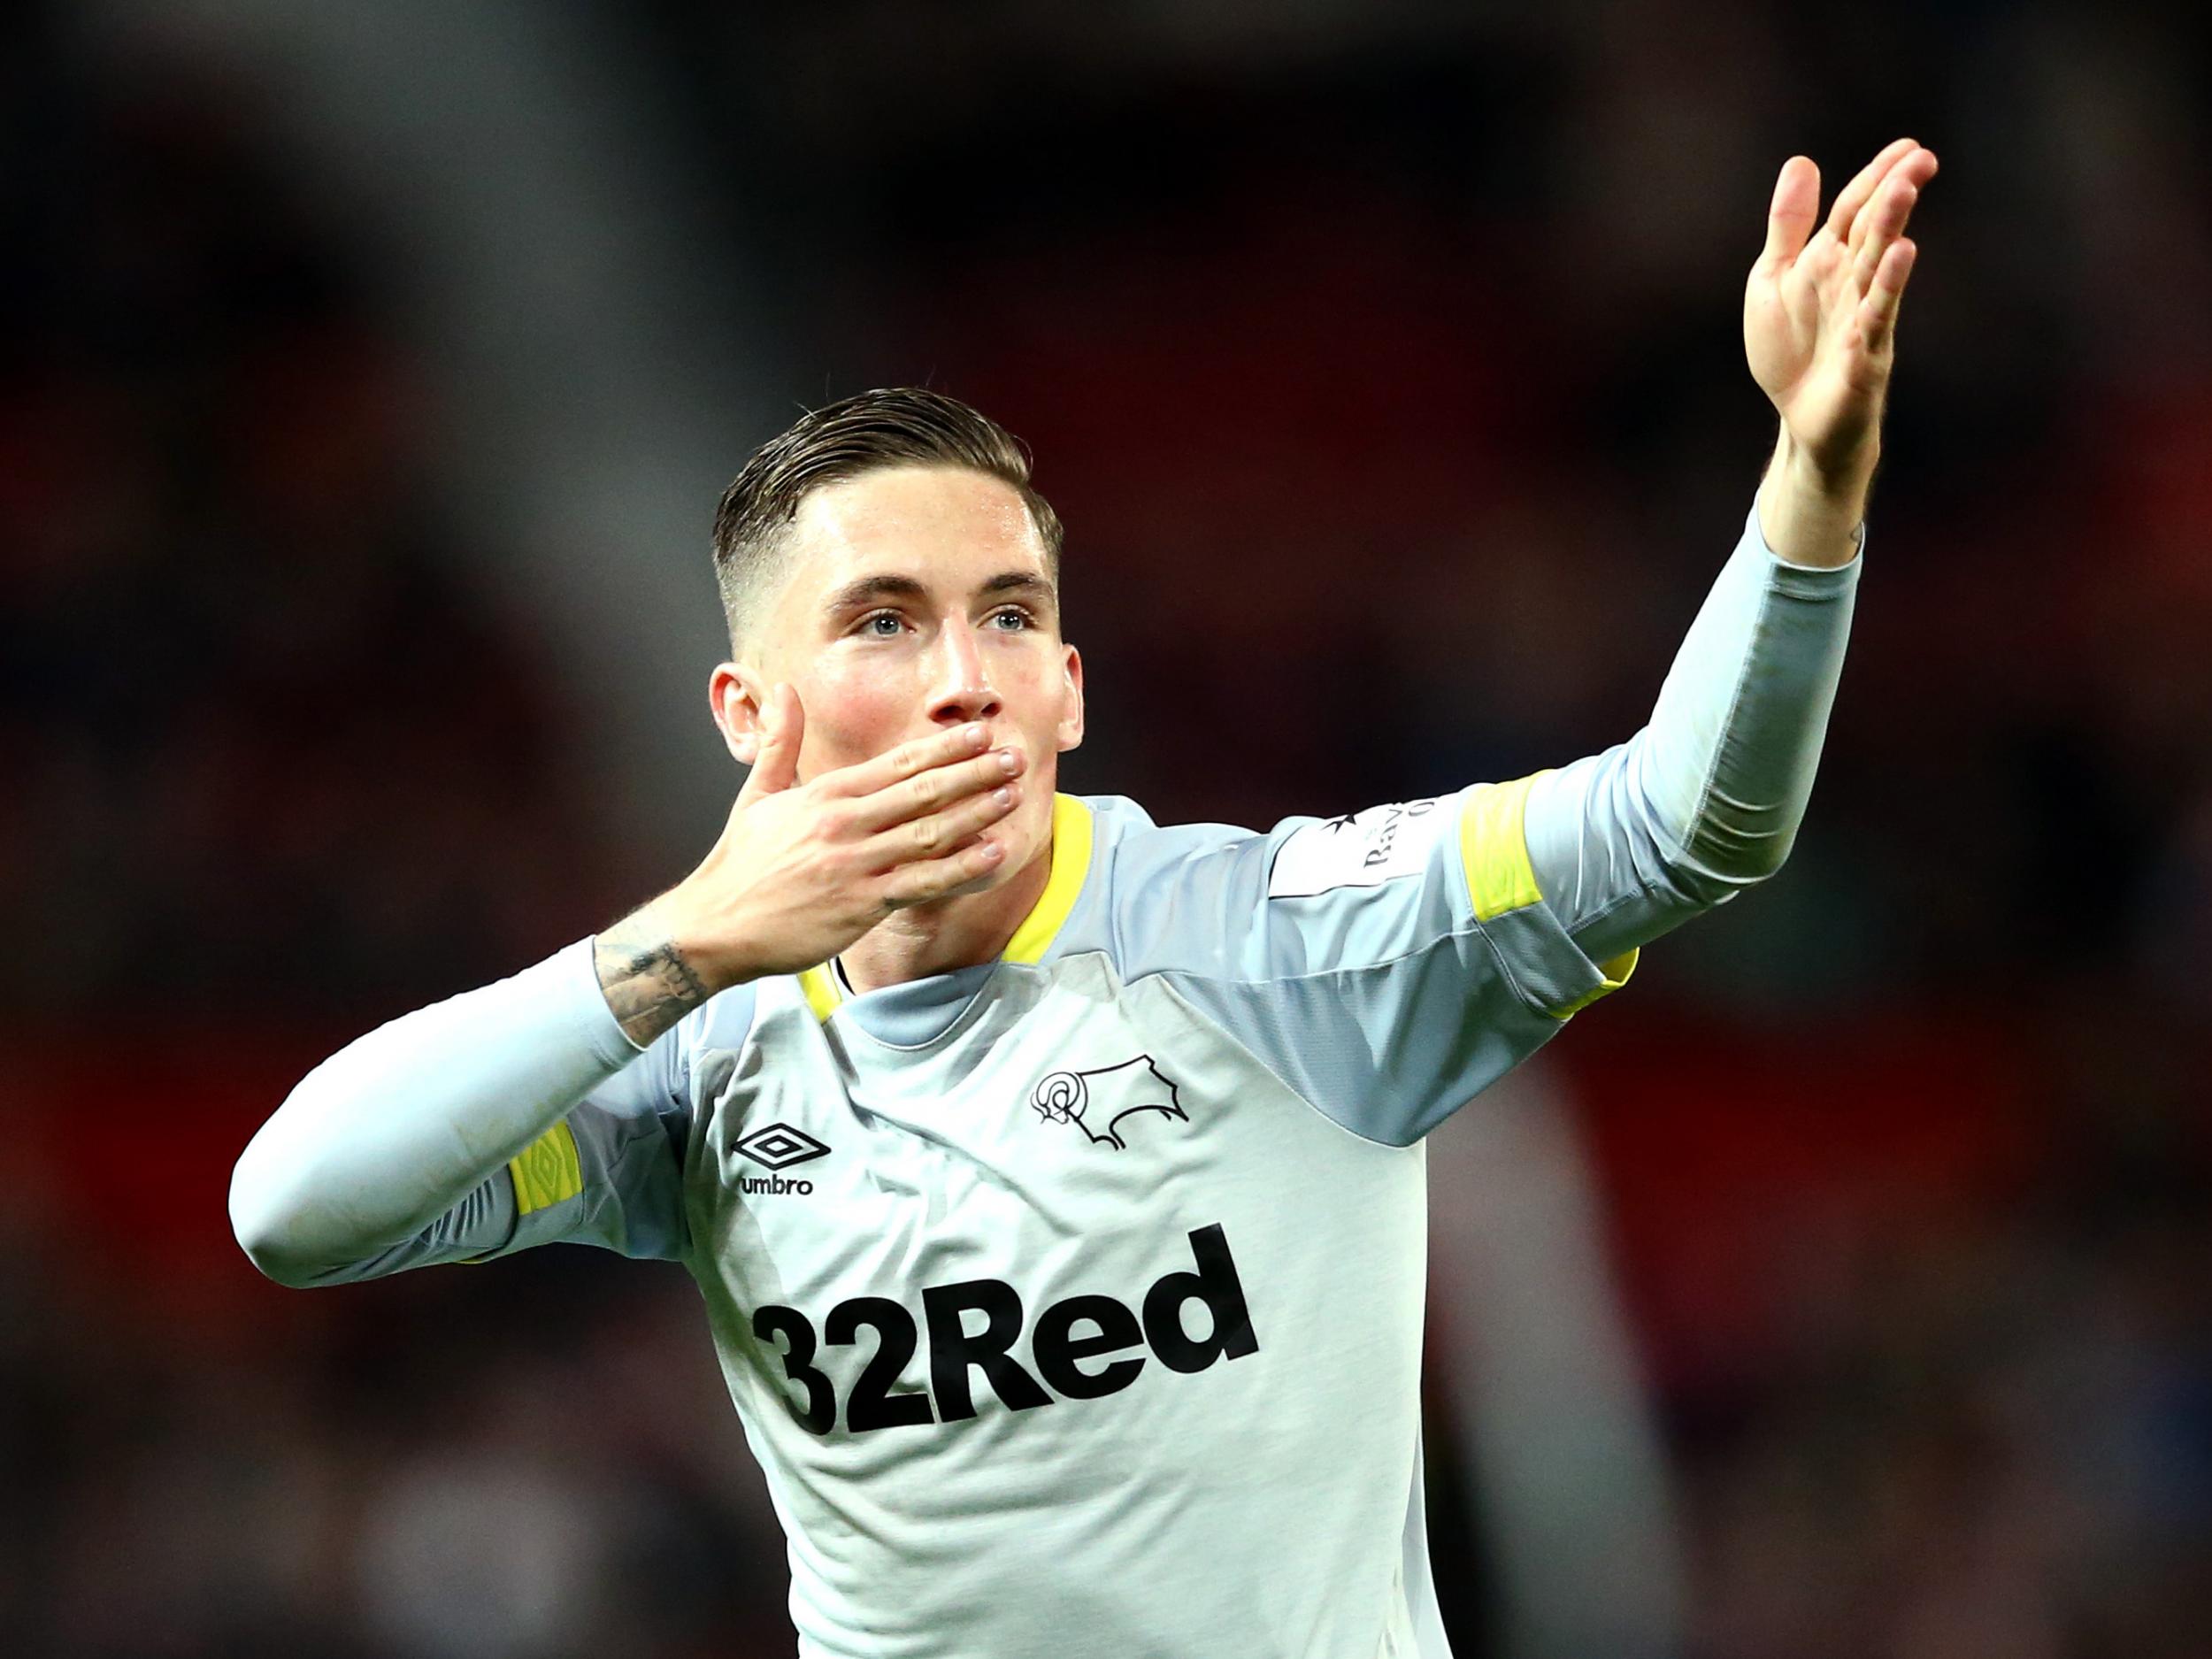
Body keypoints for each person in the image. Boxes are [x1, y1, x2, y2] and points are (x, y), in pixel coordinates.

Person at [230, 139, 1938, 1657]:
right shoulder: (699, 1055)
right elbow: (295, 1213)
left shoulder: (1278, 943)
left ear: (1068, 690)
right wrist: (671, 948)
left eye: (1008, 616)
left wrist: (1813, 477)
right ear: (757, 715)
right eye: (886, 621)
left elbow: (1691, 819)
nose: (964, 678)